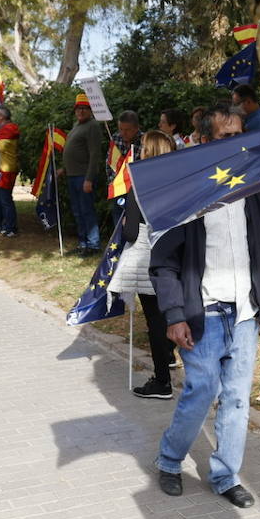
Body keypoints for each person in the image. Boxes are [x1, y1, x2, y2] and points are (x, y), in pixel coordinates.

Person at [150, 103, 260, 508]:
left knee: (237, 398)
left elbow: (259, 250)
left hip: (245, 314)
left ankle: (225, 475)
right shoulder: (189, 193)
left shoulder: (252, 188)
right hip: (204, 314)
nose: (235, 143)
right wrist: (174, 315)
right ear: (204, 140)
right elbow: (163, 262)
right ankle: (169, 460)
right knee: (201, 391)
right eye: (225, 137)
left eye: (239, 135)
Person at [109, 129, 179, 400]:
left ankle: (162, 381)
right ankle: (170, 360)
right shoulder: (178, 183)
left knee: (155, 322)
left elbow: (130, 234)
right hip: (175, 258)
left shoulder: (141, 183)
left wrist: (127, 222)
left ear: (148, 152)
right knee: (173, 313)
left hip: (148, 263)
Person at [59, 97, 103, 256]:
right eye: (78, 108)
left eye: (84, 108)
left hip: (84, 177)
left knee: (87, 211)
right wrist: (64, 168)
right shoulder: (76, 125)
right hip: (72, 175)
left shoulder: (93, 126)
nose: (81, 111)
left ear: (90, 110)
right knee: (77, 211)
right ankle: (83, 243)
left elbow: (94, 154)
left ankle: (93, 245)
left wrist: (89, 179)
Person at [0, 106, 20, 237]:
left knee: (5, 200)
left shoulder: (10, 129)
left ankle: (11, 227)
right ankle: (2, 225)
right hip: (0, 169)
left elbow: (1, 146)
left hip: (6, 169)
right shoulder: (3, 130)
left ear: (2, 117)